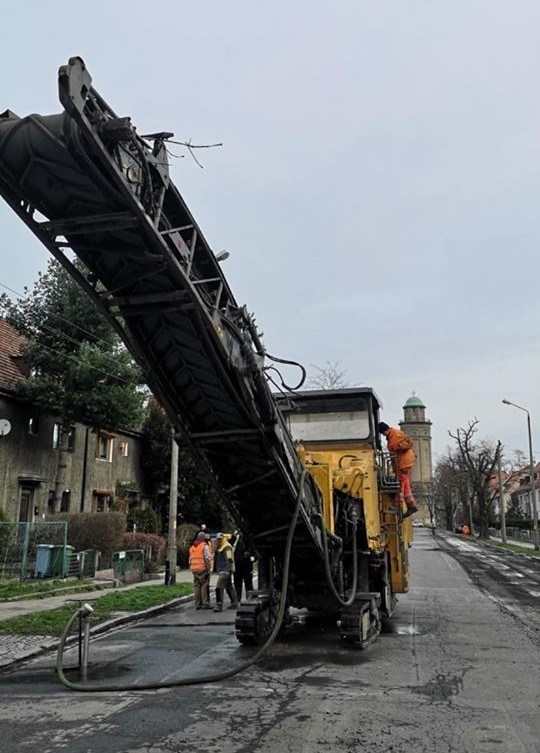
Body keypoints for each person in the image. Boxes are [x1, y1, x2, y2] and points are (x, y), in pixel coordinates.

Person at [378, 422, 418, 518]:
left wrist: (398, 447)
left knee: (400, 484)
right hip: (402, 463)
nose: (383, 435)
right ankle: (411, 505)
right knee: (406, 485)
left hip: (403, 463)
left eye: (383, 433)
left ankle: (397, 506)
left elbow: (409, 443)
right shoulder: (392, 435)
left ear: (386, 430)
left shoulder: (396, 434)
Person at [213, 532, 238, 612]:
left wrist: (227, 570)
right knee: (228, 586)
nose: (218, 541)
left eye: (220, 539)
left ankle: (219, 605)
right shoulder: (221, 546)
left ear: (223, 539)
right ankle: (234, 603)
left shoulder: (227, 547)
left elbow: (229, 559)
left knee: (219, 586)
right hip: (223, 570)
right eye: (217, 539)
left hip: (226, 570)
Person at [188, 532, 212, 609]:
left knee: (197, 587)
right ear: (203, 539)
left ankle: (197, 604)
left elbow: (190, 560)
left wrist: (192, 568)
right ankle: (205, 604)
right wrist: (208, 570)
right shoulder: (204, 546)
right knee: (204, 586)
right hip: (202, 569)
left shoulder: (192, 547)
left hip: (194, 569)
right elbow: (207, 558)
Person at [230, 530, 254, 601]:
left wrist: (249, 553)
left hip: (247, 564)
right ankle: (238, 597)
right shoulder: (235, 539)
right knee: (237, 581)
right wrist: (234, 536)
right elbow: (230, 543)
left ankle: (249, 597)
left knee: (248, 580)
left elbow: (253, 548)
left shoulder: (248, 539)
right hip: (237, 563)